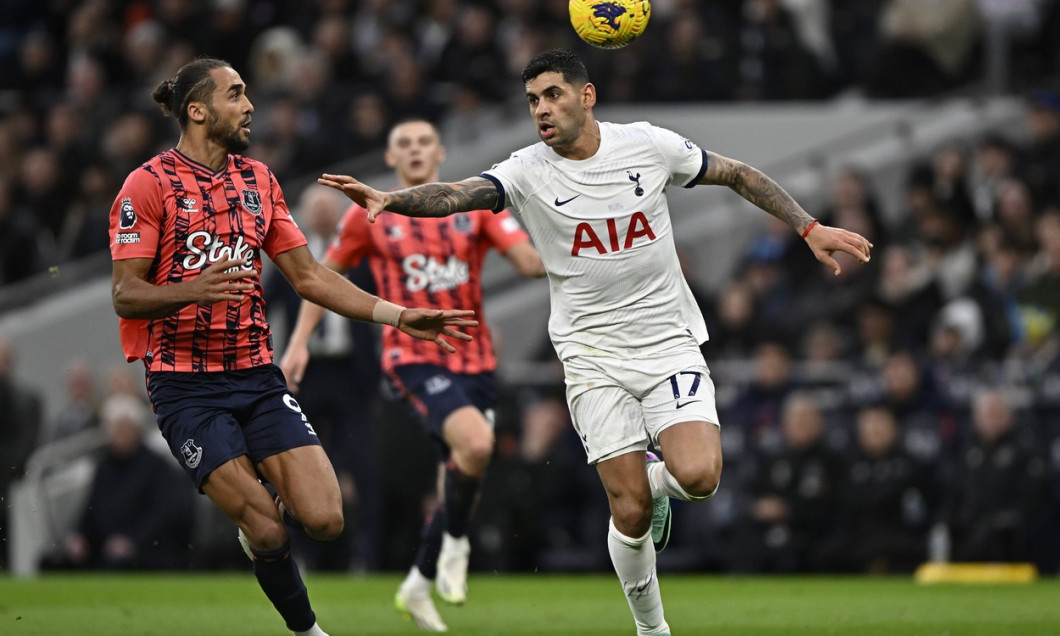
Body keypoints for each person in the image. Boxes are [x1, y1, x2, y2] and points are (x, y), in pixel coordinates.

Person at [319, 49, 873, 636]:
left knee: (701, 478)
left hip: (668, 341)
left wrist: (810, 227)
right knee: (628, 510)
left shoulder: (647, 145)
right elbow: (459, 193)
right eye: (533, 100)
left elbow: (736, 173)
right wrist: (391, 200)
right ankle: (651, 629)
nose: (541, 110)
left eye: (553, 94)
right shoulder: (528, 169)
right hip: (590, 358)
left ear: (587, 96)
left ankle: (659, 482)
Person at [108, 57, 477, 636]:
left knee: (327, 519)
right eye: (236, 94)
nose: (249, 104)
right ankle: (308, 630)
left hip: (256, 376)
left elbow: (310, 277)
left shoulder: (259, 181)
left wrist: (399, 315)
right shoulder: (147, 185)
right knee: (269, 529)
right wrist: (193, 289)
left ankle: (259, 525)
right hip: (185, 386)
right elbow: (126, 295)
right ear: (198, 110)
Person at [281, 118, 544, 632]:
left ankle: (418, 583)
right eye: (405, 143)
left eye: (424, 142)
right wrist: (297, 345)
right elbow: (320, 280)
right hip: (414, 357)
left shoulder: (473, 209)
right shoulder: (370, 216)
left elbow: (531, 263)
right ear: (391, 157)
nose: (416, 150)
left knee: (464, 467)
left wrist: (575, 243)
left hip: (477, 360)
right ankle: (456, 544)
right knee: (475, 446)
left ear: (440, 152)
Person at [55, 394, 194, 570]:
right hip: (104, 547)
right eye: (113, 429)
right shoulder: (103, 467)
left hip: (145, 550)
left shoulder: (157, 467)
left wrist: (132, 541)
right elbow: (90, 511)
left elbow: (162, 516)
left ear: (136, 430)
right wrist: (79, 535)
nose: (117, 435)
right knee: (53, 561)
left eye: (123, 429)